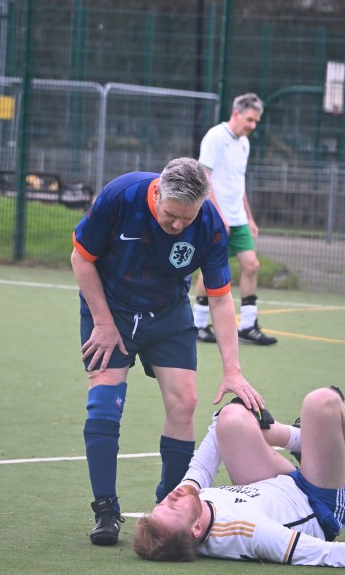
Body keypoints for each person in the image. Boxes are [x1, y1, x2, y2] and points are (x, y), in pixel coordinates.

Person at [71, 156, 265, 547]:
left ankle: (166, 509)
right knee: (105, 402)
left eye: (186, 220)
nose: (178, 226)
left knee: (186, 402)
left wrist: (233, 369)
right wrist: (104, 324)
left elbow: (221, 298)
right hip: (111, 309)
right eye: (171, 217)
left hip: (168, 313)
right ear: (157, 192)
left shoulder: (208, 223)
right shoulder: (120, 196)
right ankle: (106, 510)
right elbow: (81, 258)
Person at [133, 387, 345, 568]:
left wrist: (237, 403)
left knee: (233, 418)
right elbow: (324, 553)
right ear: (197, 529)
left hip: (278, 484)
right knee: (322, 401)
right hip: (319, 504)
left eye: (162, 503)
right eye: (173, 508)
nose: (172, 496)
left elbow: (199, 468)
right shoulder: (251, 533)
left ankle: (310, 442)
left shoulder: (190, 503)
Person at [191, 93, 276, 346]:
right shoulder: (215, 137)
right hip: (217, 217)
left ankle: (248, 325)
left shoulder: (244, 143)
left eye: (256, 121)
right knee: (211, 270)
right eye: (250, 119)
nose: (253, 126)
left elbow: (239, 182)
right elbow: (204, 177)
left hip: (238, 219)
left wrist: (248, 217)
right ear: (236, 113)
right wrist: (218, 215)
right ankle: (197, 325)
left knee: (251, 265)